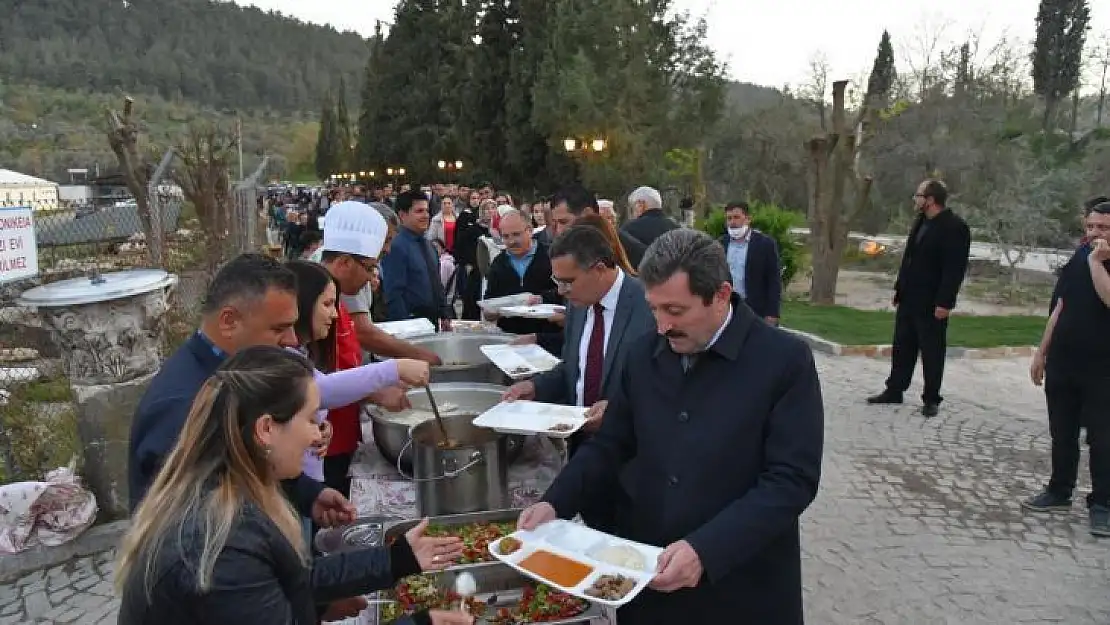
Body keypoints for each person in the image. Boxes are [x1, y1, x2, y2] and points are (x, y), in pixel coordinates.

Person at [517, 229, 823, 625]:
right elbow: (611, 445)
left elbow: (791, 480)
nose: (661, 326)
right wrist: (555, 502)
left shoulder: (784, 360)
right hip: (650, 581)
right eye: (654, 308)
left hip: (741, 586)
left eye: (675, 311)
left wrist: (706, 550)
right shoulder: (644, 354)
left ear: (721, 295)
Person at [117, 346, 474, 625]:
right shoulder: (220, 544)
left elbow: (287, 579)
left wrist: (397, 559)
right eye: (309, 418)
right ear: (266, 429)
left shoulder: (230, 487)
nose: (317, 433)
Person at [128, 254, 367, 527]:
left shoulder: (235, 373)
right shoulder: (183, 406)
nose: (291, 340)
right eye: (279, 328)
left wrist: (308, 493)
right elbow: (207, 524)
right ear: (229, 321)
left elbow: (248, 465)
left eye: (292, 325)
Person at [503, 226, 654, 451]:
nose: (562, 291)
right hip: (581, 444)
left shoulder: (649, 305)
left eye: (567, 281)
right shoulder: (579, 304)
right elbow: (573, 369)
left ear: (599, 269)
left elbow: (664, 385)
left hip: (632, 451)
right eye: (557, 281)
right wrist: (535, 387)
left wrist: (619, 410)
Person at [1024, 201, 1110, 537]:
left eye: (1102, 227)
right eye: (1090, 227)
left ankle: (1102, 504)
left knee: (1103, 439)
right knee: (1062, 433)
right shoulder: (1079, 255)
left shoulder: (1093, 259)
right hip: (1064, 361)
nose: (1094, 233)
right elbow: (1059, 307)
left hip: (1103, 368)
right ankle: (1059, 490)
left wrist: (1096, 263)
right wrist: (1041, 353)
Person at [866, 179, 971, 418]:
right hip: (910, 297)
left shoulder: (955, 227)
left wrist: (945, 302)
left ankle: (931, 398)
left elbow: (954, 269)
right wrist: (899, 288)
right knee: (902, 346)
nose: (915, 199)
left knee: (932, 350)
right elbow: (910, 258)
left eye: (918, 195)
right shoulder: (922, 222)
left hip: (932, 301)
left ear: (931, 199)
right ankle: (895, 389)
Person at [482, 209, 561, 338]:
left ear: (530, 230)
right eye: (506, 236)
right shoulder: (499, 263)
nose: (511, 241)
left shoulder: (550, 256)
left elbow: (566, 292)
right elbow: (489, 303)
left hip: (547, 336)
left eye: (516, 234)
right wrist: (491, 311)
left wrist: (542, 298)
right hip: (511, 338)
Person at [383, 190, 454, 327]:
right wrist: (405, 327)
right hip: (411, 324)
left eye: (427, 211)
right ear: (402, 215)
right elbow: (393, 293)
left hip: (432, 322)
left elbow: (437, 283)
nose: (426, 215)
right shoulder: (396, 246)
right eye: (419, 211)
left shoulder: (429, 245)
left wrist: (445, 314)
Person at [550, 184, 647, 267]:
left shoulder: (634, 253)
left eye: (563, 222)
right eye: (555, 223)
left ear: (587, 213)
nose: (559, 230)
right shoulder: (564, 252)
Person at [718, 201, 782, 325]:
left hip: (756, 310)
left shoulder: (765, 244)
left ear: (748, 219)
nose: (732, 222)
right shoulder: (721, 244)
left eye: (736, 217)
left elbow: (774, 280)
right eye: (729, 218)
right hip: (727, 309)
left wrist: (772, 313)